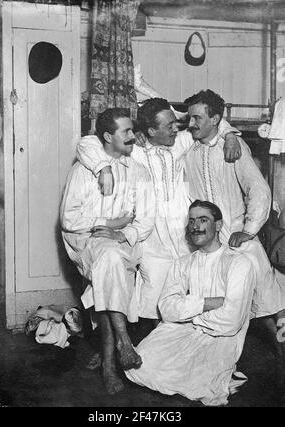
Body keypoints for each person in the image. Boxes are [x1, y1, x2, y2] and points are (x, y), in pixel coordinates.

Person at [76, 98, 241, 328]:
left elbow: (213, 124)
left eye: (176, 123)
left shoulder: (181, 142)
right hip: (151, 232)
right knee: (154, 293)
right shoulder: (135, 152)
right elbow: (87, 144)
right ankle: (152, 345)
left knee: (189, 288)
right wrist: (103, 168)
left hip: (182, 226)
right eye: (169, 125)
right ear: (151, 131)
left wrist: (231, 135)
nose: (177, 128)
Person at [60, 108, 155, 395]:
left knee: (109, 268)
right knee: (108, 260)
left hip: (123, 243)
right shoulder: (82, 170)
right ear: (107, 136)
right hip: (84, 241)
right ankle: (123, 343)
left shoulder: (139, 171)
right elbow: (69, 220)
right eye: (126, 131)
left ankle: (109, 358)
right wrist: (107, 223)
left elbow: (146, 220)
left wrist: (120, 232)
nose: (132, 136)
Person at [126, 200, 256, 407]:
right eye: (192, 221)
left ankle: (222, 375)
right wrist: (206, 303)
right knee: (138, 365)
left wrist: (187, 313)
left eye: (203, 220)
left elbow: (231, 320)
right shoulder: (183, 263)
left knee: (202, 384)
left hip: (220, 337)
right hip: (183, 330)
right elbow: (167, 309)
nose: (196, 226)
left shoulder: (239, 263)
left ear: (219, 225)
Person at [182, 89, 285, 340]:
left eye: (197, 118)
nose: (191, 124)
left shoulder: (232, 147)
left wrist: (248, 230)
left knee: (263, 287)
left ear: (215, 119)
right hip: (203, 236)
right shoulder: (188, 148)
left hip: (235, 231)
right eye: (190, 118)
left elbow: (258, 189)